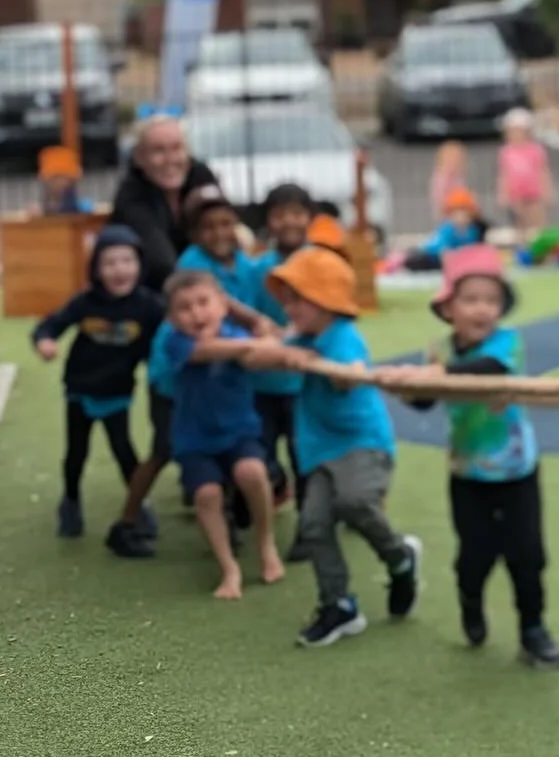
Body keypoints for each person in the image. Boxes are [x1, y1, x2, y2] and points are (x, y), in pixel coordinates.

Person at [387, 244, 559, 668]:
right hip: (468, 474)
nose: (483, 309)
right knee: (475, 555)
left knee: (527, 555)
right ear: (448, 308)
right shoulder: (441, 352)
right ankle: (470, 598)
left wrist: (435, 376)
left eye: (491, 300)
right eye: (471, 299)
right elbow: (426, 402)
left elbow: (489, 372)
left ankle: (533, 629)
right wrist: (403, 386)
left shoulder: (507, 345)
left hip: (517, 469)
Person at [247, 246, 422, 647]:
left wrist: (338, 373)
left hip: (360, 442)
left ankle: (399, 558)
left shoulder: (342, 337)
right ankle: (339, 604)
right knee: (313, 526)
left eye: (297, 299)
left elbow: (348, 377)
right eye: (286, 298)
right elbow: (255, 358)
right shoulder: (303, 336)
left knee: (356, 503)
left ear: (325, 299)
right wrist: (288, 354)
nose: (288, 307)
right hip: (318, 449)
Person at [31, 224, 165, 538]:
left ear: (139, 265)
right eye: (110, 262)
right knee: (77, 452)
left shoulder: (149, 306)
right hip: (79, 389)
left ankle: (137, 504)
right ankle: (71, 499)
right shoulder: (86, 302)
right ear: (96, 269)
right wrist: (45, 341)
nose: (119, 270)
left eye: (127, 261)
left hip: (117, 392)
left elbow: (166, 342)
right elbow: (51, 324)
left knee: (124, 452)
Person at [158, 269, 284, 600]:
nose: (197, 313)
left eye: (204, 302)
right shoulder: (177, 343)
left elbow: (264, 353)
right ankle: (229, 567)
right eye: (185, 308)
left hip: (239, 432)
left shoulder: (235, 335)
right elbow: (208, 351)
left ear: (223, 305)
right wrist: (257, 342)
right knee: (207, 495)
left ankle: (265, 543)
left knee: (252, 471)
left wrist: (267, 337)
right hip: (194, 440)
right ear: (172, 318)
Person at [247, 182, 316, 515]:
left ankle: (309, 525)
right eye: (280, 215)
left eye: (297, 213)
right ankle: (272, 486)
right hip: (264, 381)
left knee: (304, 452)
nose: (289, 221)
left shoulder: (322, 263)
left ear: (309, 218)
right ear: (269, 221)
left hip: (306, 380)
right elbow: (249, 314)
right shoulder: (258, 268)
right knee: (261, 451)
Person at [111, 115, 222, 292]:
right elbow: (161, 263)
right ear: (139, 158)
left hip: (207, 287)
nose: (170, 159)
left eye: (177, 148)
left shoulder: (201, 175)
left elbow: (228, 233)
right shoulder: (132, 195)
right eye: (158, 151)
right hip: (155, 294)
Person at [496, 108, 552, 244]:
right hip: (516, 193)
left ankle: (541, 246)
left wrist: (547, 191)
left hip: (533, 192)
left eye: (519, 131)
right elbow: (503, 174)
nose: (516, 135)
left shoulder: (535, 150)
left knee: (537, 221)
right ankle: (522, 247)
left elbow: (542, 171)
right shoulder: (506, 152)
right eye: (512, 131)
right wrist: (502, 193)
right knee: (519, 223)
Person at [37, 145, 93, 216]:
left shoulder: (80, 203)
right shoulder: (46, 200)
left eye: (64, 177)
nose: (60, 183)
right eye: (55, 178)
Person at [429, 139, 469, 222]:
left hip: (459, 209)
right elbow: (439, 196)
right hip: (447, 211)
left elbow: (461, 191)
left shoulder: (458, 177)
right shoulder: (441, 178)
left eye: (458, 161)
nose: (454, 164)